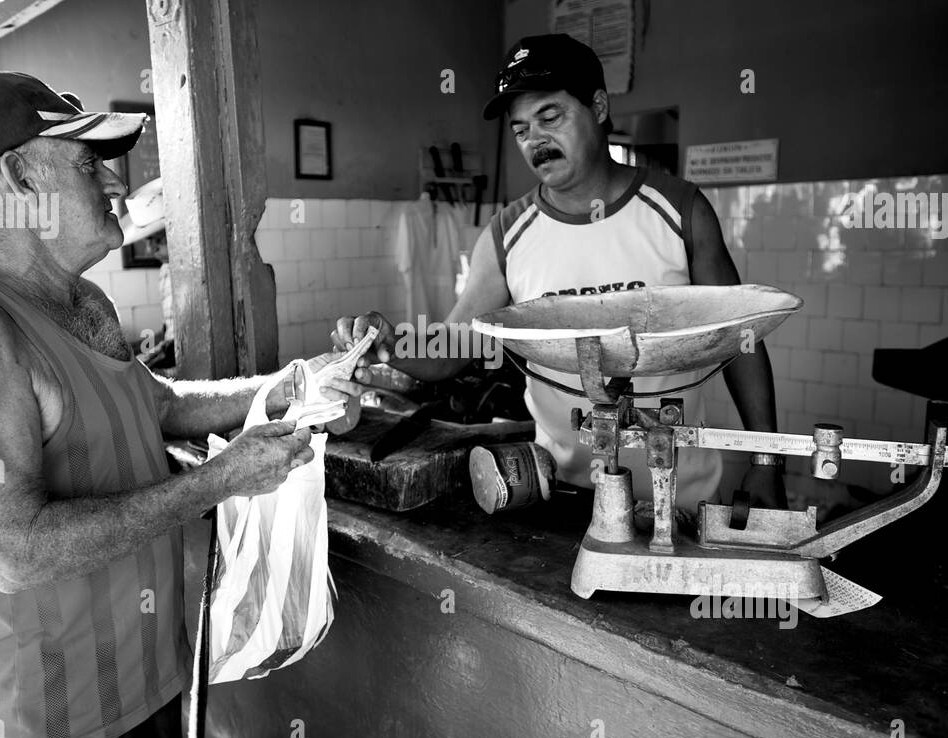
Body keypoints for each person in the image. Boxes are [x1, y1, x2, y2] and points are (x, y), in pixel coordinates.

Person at [0, 71, 362, 738]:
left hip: (153, 680)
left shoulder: (85, 301)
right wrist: (220, 479)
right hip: (47, 731)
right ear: (20, 178)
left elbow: (157, 403)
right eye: (87, 164)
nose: (114, 184)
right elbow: (14, 552)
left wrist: (290, 385)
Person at [334, 34, 786, 514]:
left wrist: (767, 461)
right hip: (557, 499)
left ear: (598, 106)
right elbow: (458, 345)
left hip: (682, 502)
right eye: (522, 128)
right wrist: (391, 342)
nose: (536, 140)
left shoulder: (680, 210)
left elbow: (742, 339)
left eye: (550, 117)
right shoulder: (509, 233)